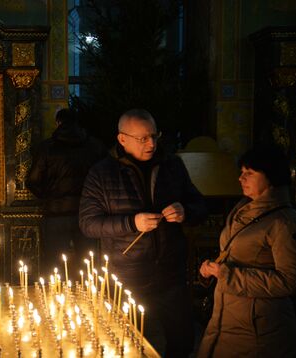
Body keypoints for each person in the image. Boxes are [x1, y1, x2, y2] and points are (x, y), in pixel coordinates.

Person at [79, 108, 207, 357]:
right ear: (122, 139)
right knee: (126, 344)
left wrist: (185, 212)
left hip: (170, 273)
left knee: (182, 339)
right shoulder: (102, 173)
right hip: (127, 277)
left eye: (154, 136)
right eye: (143, 138)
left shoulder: (172, 166)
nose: (151, 144)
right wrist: (131, 223)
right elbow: (88, 224)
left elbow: (199, 206)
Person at [197, 145, 296, 357]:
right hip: (226, 318)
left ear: (271, 177)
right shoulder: (242, 211)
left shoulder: (285, 223)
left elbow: (292, 281)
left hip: (260, 330)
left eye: (249, 173)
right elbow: (237, 254)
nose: (241, 178)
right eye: (241, 173)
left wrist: (226, 275)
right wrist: (212, 269)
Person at [26, 108, 106, 272]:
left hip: (56, 215)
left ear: (58, 123)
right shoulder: (95, 146)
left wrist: (48, 197)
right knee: (88, 264)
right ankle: (86, 295)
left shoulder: (47, 148)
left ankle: (55, 296)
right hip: (87, 214)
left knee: (54, 265)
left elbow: (33, 180)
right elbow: (106, 178)